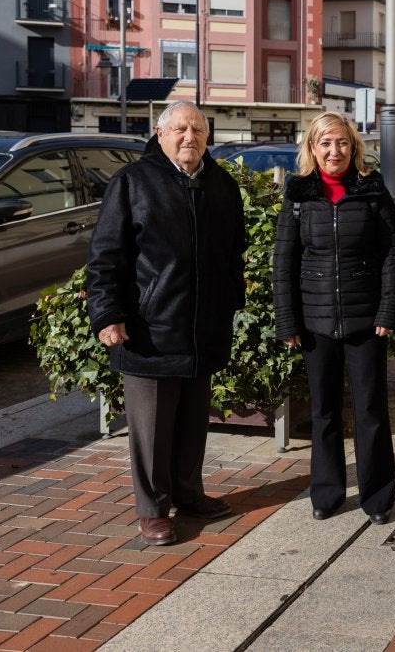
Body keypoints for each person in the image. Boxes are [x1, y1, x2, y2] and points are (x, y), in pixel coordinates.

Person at [87, 101, 247, 547]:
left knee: (193, 421)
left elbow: (235, 250)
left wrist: (231, 297)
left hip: (202, 327)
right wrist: (108, 315)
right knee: (152, 428)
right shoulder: (133, 182)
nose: (189, 137)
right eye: (179, 129)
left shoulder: (221, 184)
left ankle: (189, 494)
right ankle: (153, 509)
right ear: (160, 134)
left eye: (197, 129)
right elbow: (105, 258)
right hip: (149, 328)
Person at [272, 112, 395, 524]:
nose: (334, 151)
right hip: (315, 321)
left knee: (370, 408)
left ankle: (377, 495)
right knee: (324, 411)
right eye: (325, 143)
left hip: (366, 319)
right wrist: (287, 320)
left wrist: (388, 309)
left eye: (342, 143)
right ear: (312, 148)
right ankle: (327, 492)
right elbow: (284, 260)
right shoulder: (298, 194)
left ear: (354, 147)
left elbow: (391, 256)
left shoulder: (372, 189)